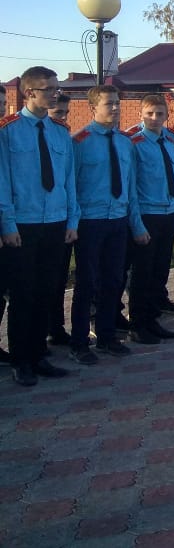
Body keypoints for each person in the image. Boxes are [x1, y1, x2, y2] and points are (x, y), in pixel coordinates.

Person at [0, 67, 79, 386]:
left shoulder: (60, 131)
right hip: (23, 224)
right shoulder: (8, 131)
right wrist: (7, 224)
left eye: (57, 89)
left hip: (56, 222)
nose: (55, 95)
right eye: (48, 90)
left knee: (47, 291)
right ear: (29, 92)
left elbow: (68, 179)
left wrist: (73, 219)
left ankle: (38, 354)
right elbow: (2, 182)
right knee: (23, 293)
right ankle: (21, 360)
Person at [68, 85, 150, 364]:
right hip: (90, 221)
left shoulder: (126, 141)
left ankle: (106, 335)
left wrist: (136, 225)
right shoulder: (80, 141)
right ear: (93, 108)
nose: (115, 109)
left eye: (117, 103)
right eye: (108, 104)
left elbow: (131, 187)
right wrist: (73, 221)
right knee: (87, 283)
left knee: (114, 280)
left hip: (118, 219)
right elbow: (72, 186)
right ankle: (79, 342)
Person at [126, 94, 174, 343]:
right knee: (142, 274)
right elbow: (132, 187)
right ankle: (138, 324)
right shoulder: (134, 142)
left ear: (166, 115)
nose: (154, 118)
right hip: (147, 215)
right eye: (149, 113)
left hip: (168, 213)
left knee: (160, 271)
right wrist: (136, 224)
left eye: (160, 113)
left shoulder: (171, 140)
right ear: (141, 114)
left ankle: (153, 319)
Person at [44, 93, 73, 347]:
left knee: (57, 279)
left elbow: (69, 181)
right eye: (58, 114)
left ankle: (55, 328)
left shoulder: (64, 137)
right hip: (30, 221)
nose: (63, 118)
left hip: (60, 217)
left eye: (66, 113)